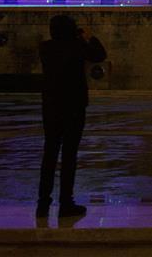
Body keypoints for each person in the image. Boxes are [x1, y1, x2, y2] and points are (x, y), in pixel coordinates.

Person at [36, 15, 106, 218]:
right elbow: (99, 55)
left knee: (49, 154)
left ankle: (43, 203)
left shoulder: (45, 48)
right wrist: (88, 37)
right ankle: (66, 202)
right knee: (69, 156)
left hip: (50, 107)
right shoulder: (76, 46)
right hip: (74, 107)